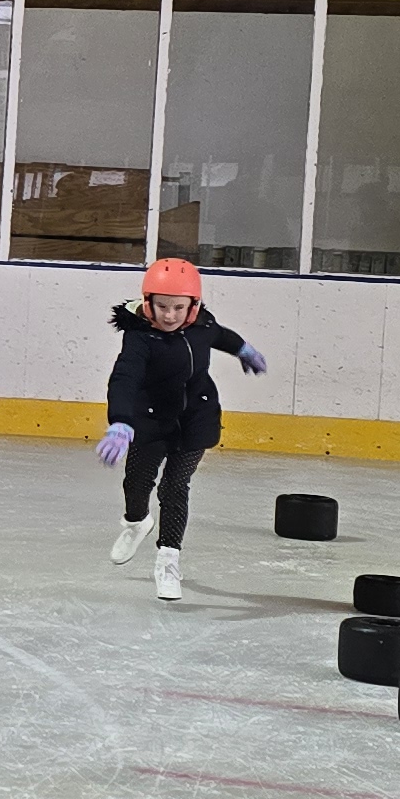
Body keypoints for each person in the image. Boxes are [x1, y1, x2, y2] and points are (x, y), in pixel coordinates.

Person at [94, 256, 267, 606]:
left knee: (175, 487)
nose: (169, 315)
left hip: (195, 418)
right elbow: (124, 378)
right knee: (137, 482)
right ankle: (136, 522)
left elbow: (220, 335)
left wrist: (242, 349)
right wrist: (121, 421)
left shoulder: (202, 325)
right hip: (151, 419)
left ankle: (168, 560)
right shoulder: (140, 338)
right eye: (161, 307)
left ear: (193, 306)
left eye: (178, 307)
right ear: (148, 303)